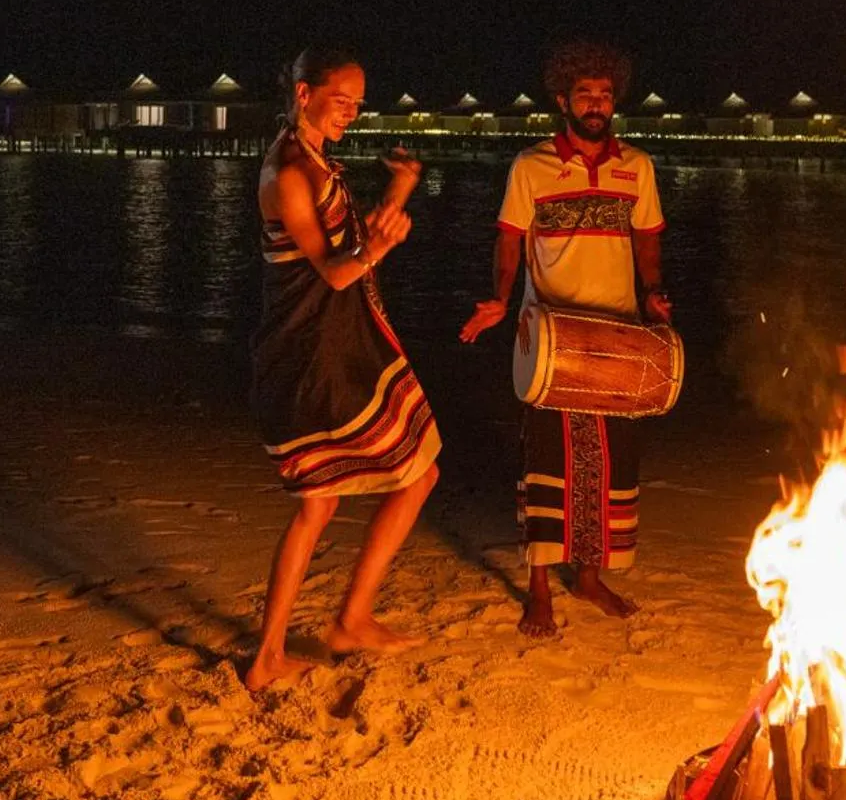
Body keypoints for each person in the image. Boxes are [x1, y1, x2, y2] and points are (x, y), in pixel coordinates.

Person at [245, 48, 441, 691]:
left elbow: (349, 246)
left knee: (388, 482)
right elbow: (336, 271)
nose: (352, 115)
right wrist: (380, 245)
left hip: (337, 347)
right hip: (307, 357)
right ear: (304, 93)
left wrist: (399, 190)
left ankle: (340, 623)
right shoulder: (289, 174)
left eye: (359, 104)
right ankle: (289, 647)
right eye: (342, 101)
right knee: (321, 503)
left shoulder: (315, 161)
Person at [460, 39, 670, 637]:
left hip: (621, 336)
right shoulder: (531, 167)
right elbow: (509, 240)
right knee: (548, 464)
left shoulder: (639, 167)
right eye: (586, 95)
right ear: (563, 100)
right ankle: (540, 589)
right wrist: (501, 298)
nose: (597, 104)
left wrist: (653, 293)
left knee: (611, 463)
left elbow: (647, 239)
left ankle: (590, 575)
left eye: (605, 95)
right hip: (549, 337)